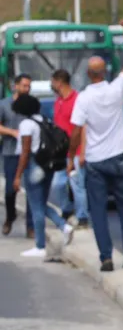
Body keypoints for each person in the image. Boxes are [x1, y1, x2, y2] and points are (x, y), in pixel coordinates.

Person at [69, 19, 123, 272]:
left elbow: (76, 131)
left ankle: (106, 258)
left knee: (98, 212)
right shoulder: (116, 89)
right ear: (105, 72)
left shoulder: (83, 99)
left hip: (96, 161)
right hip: (119, 157)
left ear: (89, 74)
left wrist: (70, 157)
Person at [10, 94, 75, 257]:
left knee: (36, 206)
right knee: (40, 203)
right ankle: (64, 226)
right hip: (48, 165)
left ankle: (40, 246)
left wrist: (17, 175)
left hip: (33, 165)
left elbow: (25, 152)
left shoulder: (26, 124)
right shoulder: (44, 120)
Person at [51, 69, 88, 229]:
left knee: (77, 185)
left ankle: (82, 216)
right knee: (57, 184)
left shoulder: (77, 100)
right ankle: (66, 209)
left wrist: (83, 152)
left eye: (53, 81)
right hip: (61, 152)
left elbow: (83, 127)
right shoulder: (58, 101)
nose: (51, 85)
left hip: (76, 151)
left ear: (59, 82)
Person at [1, 74, 33, 238]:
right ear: (16, 86)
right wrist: (12, 132)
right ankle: (10, 216)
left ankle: (30, 226)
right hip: (10, 152)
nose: (26, 89)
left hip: (29, 154)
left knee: (32, 190)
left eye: (29, 86)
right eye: (24, 86)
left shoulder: (31, 105)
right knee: (9, 191)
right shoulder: (4, 105)